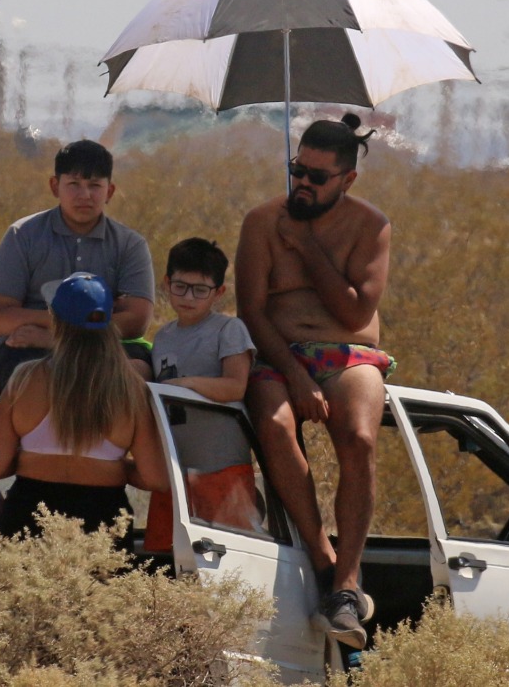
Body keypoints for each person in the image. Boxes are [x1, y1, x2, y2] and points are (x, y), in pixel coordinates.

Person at [237, 114, 392, 650]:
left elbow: (355, 313)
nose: (302, 182)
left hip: (348, 353)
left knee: (360, 437)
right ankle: (323, 559)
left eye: (317, 177)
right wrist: (297, 376)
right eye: (297, 170)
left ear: (347, 179)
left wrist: (306, 246)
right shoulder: (262, 221)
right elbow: (252, 311)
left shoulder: (371, 226)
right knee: (276, 426)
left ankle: (348, 582)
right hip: (278, 354)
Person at [0, 272, 169, 542]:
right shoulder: (130, 389)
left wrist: (32, 461)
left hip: (30, 515)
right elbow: (156, 477)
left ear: (55, 321)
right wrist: (112, 468)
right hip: (103, 522)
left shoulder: (25, 379)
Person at [0, 139, 155, 397]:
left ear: (109, 191)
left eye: (94, 185)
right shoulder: (23, 235)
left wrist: (57, 335)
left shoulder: (130, 244)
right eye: (74, 184)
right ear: (55, 186)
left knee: (139, 369)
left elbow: (135, 321)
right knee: (28, 376)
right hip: (29, 346)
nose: (84, 195)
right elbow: (0, 317)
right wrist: (82, 327)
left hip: (102, 347)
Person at [142, 238, 260, 552]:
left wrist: (187, 384)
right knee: (166, 560)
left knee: (232, 559)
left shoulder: (228, 329)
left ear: (219, 292)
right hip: (174, 470)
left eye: (200, 290)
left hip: (222, 467)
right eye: (180, 287)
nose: (188, 297)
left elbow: (235, 386)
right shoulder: (163, 336)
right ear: (166, 283)